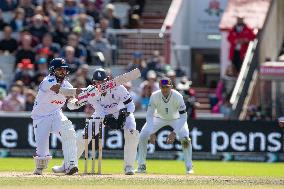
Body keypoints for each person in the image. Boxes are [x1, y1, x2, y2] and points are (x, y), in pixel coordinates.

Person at [52, 68, 140, 175]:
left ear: (107, 80)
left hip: (120, 112)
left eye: (102, 81)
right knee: (83, 137)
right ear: (93, 82)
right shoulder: (90, 91)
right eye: (97, 82)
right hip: (100, 115)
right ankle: (66, 165)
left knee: (132, 133)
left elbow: (130, 105)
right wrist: (73, 102)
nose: (100, 84)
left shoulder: (118, 87)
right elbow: (72, 106)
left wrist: (125, 115)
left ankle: (129, 167)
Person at [31, 58, 80, 175]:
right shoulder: (47, 81)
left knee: (69, 131)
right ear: (53, 71)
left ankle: (71, 164)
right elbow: (60, 90)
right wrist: (81, 91)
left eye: (65, 70)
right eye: (60, 70)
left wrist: (76, 102)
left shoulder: (67, 84)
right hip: (41, 116)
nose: (63, 73)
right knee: (42, 155)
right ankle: (38, 170)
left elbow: (71, 102)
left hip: (56, 113)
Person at [136, 77, 194, 174]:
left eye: (167, 87)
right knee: (143, 136)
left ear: (171, 86)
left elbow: (184, 117)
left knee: (185, 139)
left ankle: (189, 167)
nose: (165, 89)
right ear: (159, 87)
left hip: (177, 119)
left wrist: (174, 132)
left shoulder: (178, 96)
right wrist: (151, 131)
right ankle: (141, 165)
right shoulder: (154, 96)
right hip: (158, 118)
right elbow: (149, 115)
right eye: (163, 87)